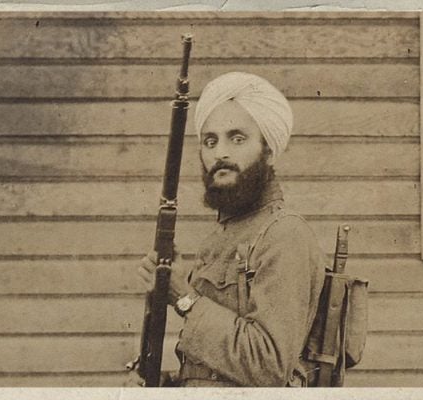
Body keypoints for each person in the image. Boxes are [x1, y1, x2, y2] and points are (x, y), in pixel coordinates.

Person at [137, 72, 327, 387]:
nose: (220, 153)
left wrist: (184, 298)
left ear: (268, 150)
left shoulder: (284, 234)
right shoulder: (221, 238)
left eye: (237, 139)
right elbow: (214, 370)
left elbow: (269, 365)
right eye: (210, 141)